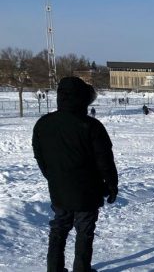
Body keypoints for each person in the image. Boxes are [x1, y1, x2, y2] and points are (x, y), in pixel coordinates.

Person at [32, 77, 119, 272]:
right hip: (87, 191)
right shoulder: (91, 126)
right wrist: (112, 185)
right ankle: (81, 269)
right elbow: (105, 161)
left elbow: (40, 157)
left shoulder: (43, 124)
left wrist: (54, 177)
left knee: (59, 229)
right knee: (85, 231)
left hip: (59, 190)